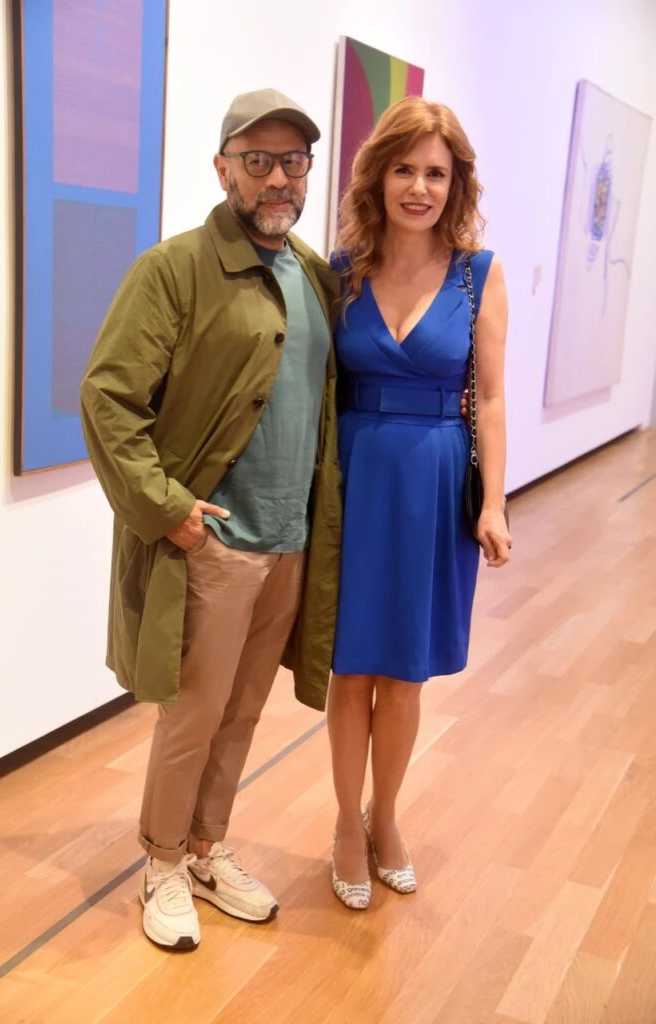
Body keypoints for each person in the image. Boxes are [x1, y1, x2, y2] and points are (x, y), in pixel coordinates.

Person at [80, 89, 342, 950]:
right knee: (192, 717)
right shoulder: (173, 270)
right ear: (223, 168)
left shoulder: (312, 274)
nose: (277, 178)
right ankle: (160, 862)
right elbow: (108, 398)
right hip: (216, 543)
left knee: (242, 713)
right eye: (258, 160)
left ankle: (205, 848)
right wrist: (169, 512)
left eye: (293, 161)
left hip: (289, 541)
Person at [327, 97, 512, 910]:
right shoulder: (343, 271)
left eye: (436, 173)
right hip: (354, 478)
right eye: (404, 169)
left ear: (456, 183)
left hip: (434, 481)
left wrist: (493, 503)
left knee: (403, 672)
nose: (419, 188)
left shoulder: (478, 273)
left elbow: (492, 398)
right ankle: (345, 823)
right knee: (349, 668)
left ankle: (387, 815)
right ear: (378, 176)